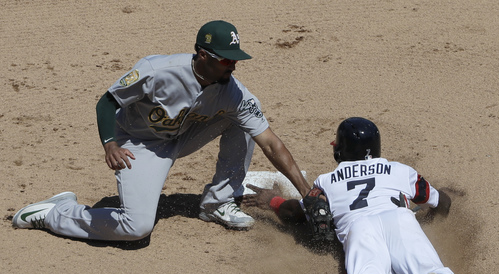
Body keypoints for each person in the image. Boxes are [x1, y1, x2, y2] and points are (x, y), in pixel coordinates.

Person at [12, 20, 310, 240]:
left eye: (235, 59)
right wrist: (110, 144)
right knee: (137, 228)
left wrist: (308, 193)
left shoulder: (233, 92)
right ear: (203, 55)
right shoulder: (157, 71)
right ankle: (55, 213)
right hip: (139, 144)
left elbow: (271, 143)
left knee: (243, 120)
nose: (232, 66)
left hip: (183, 134)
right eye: (225, 59)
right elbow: (106, 102)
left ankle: (217, 203)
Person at [242, 117, 471, 274]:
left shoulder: (326, 181)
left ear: (340, 150)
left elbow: (298, 213)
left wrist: (272, 200)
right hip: (400, 220)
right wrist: (441, 201)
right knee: (423, 263)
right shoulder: (400, 170)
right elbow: (441, 203)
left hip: (359, 228)